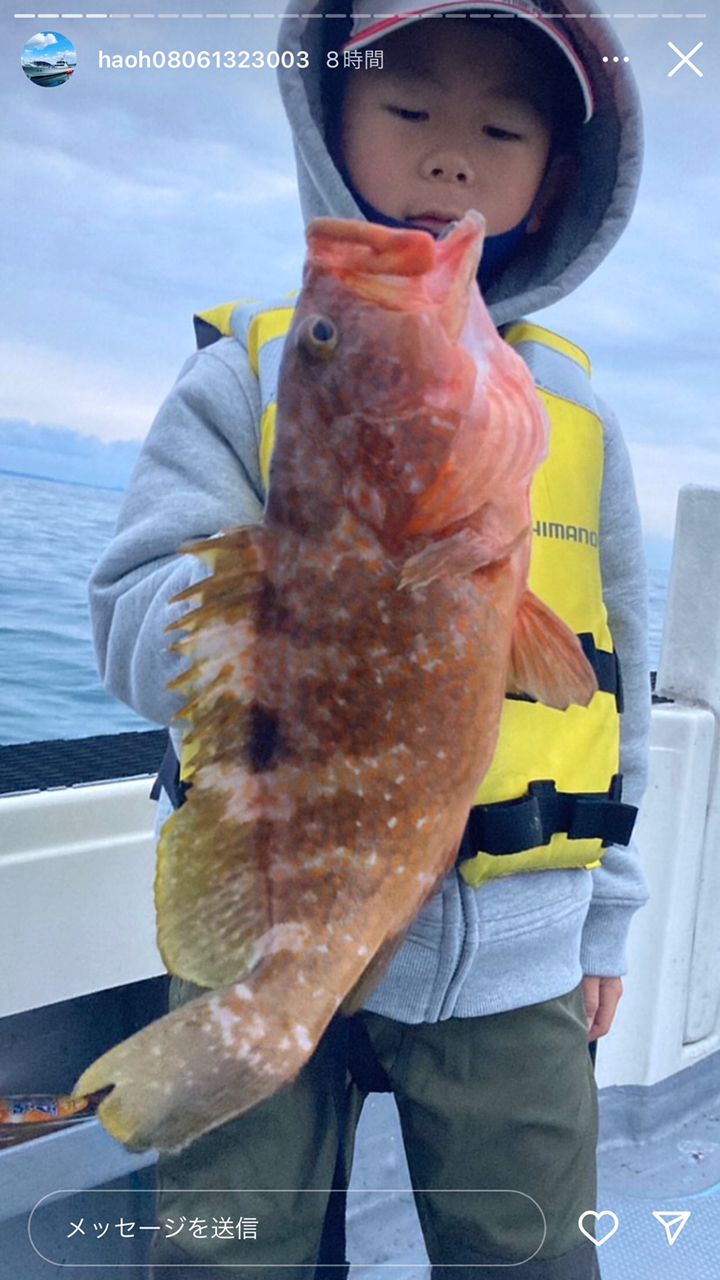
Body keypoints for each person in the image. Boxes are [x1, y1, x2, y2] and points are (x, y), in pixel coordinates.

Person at [87, 2, 651, 1277]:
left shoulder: (580, 420)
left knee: (534, 1254)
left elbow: (610, 691)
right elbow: (125, 622)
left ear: (555, 176)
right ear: (329, 120)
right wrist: (283, 605)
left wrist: (607, 921)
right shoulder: (246, 375)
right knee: (232, 1250)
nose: (451, 155)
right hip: (279, 919)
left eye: (500, 127)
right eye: (408, 110)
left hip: (516, 958)